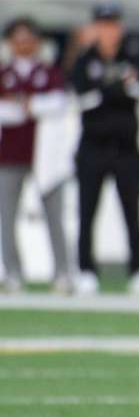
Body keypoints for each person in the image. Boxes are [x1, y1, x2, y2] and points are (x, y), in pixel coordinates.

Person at [70, 2, 139, 297]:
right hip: (92, 148)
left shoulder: (134, 55)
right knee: (87, 212)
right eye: (103, 25)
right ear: (95, 28)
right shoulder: (84, 60)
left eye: (113, 24)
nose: (109, 31)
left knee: (132, 211)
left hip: (126, 148)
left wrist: (110, 91)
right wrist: (115, 89)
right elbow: (83, 96)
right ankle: (85, 269)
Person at [0, 17, 71, 293]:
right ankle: (13, 272)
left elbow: (58, 103)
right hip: (9, 155)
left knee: (55, 216)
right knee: (7, 216)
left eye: (28, 39)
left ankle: (63, 272)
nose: (23, 45)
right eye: (18, 39)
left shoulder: (49, 72)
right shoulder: (5, 73)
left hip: (45, 155)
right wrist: (28, 107)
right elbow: (6, 112)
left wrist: (28, 105)